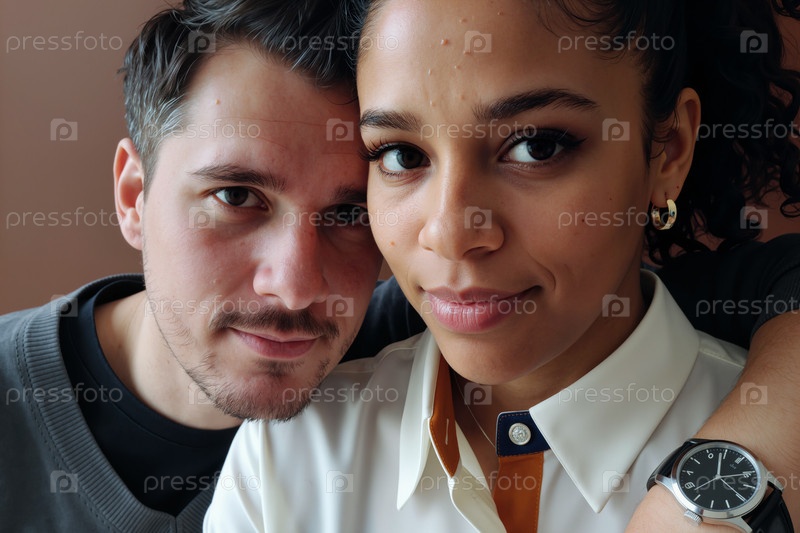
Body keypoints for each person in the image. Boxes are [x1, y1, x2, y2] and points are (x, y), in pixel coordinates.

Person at [205, 0, 800, 531]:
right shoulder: (288, 456)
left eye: (536, 147)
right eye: (401, 155)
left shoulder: (778, 449)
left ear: (668, 150)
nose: (450, 234)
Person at [0, 0, 383, 530]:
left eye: (349, 214)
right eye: (236, 196)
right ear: (133, 197)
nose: (295, 288)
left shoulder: (429, 353)